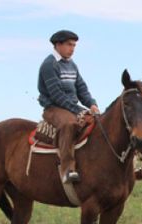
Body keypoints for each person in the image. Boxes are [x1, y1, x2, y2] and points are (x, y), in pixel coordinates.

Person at [38, 30, 100, 183]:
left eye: (74, 45)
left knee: (99, 123)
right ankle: (67, 170)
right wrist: (79, 110)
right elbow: (56, 95)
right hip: (54, 108)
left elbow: (81, 88)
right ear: (58, 45)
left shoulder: (72, 65)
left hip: (71, 107)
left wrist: (92, 104)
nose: (72, 49)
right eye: (69, 45)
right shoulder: (49, 64)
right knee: (69, 125)